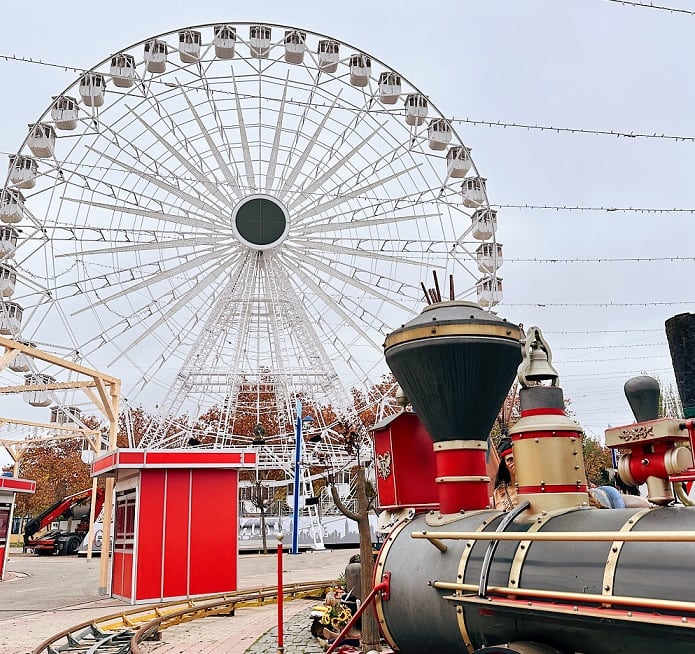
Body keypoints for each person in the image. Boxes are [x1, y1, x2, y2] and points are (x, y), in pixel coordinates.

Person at [493, 437, 517, 511]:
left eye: (518, 457)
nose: (515, 462)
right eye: (510, 460)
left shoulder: (536, 489)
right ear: (505, 465)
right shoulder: (498, 493)